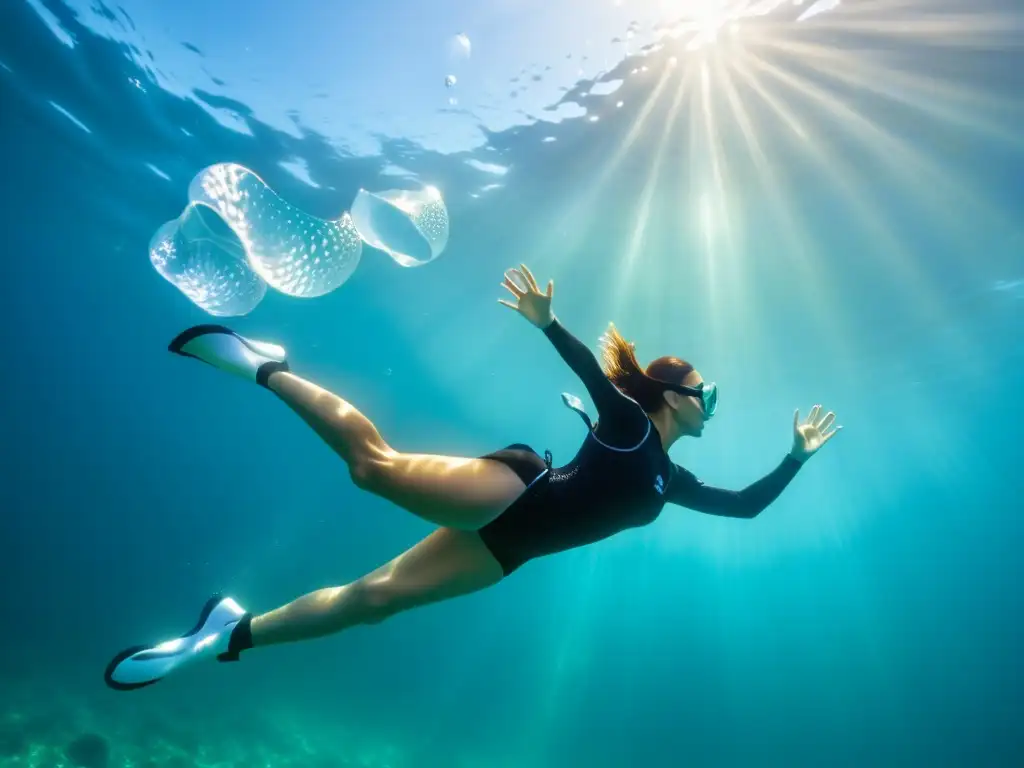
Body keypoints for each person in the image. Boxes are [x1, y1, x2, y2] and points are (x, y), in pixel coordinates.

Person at [104, 264, 840, 691]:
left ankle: (229, 636)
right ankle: (267, 366)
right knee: (374, 469)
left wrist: (797, 457)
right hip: (518, 488)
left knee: (374, 602)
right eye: (707, 393)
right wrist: (548, 323)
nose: (712, 404)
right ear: (674, 395)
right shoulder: (631, 428)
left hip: (508, 552)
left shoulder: (666, 477)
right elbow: (593, 376)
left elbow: (742, 508)